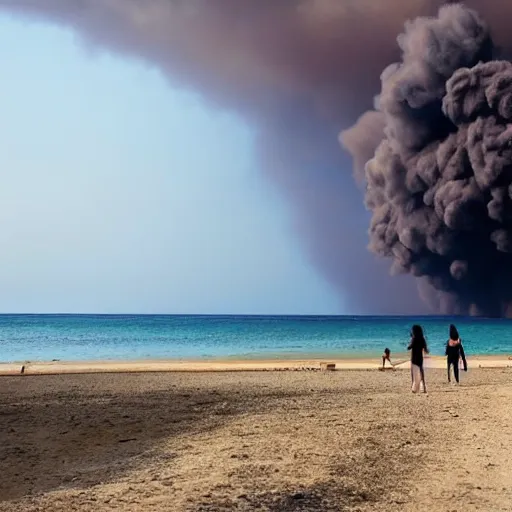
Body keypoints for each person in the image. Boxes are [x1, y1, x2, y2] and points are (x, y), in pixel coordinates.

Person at [408, 325, 429, 393]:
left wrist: (411, 340)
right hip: (420, 358)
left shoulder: (414, 339)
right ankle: (423, 387)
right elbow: (426, 350)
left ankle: (414, 387)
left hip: (414, 358)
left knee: (414, 373)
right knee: (421, 371)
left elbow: (409, 347)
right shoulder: (422, 339)